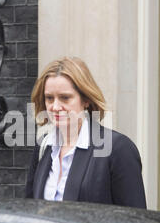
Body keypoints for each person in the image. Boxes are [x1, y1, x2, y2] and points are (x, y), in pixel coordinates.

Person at [26, 57, 146, 208]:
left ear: (86, 100)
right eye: (49, 98)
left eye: (65, 98)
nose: (55, 107)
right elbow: (31, 210)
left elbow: (135, 220)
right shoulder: (43, 146)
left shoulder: (118, 149)